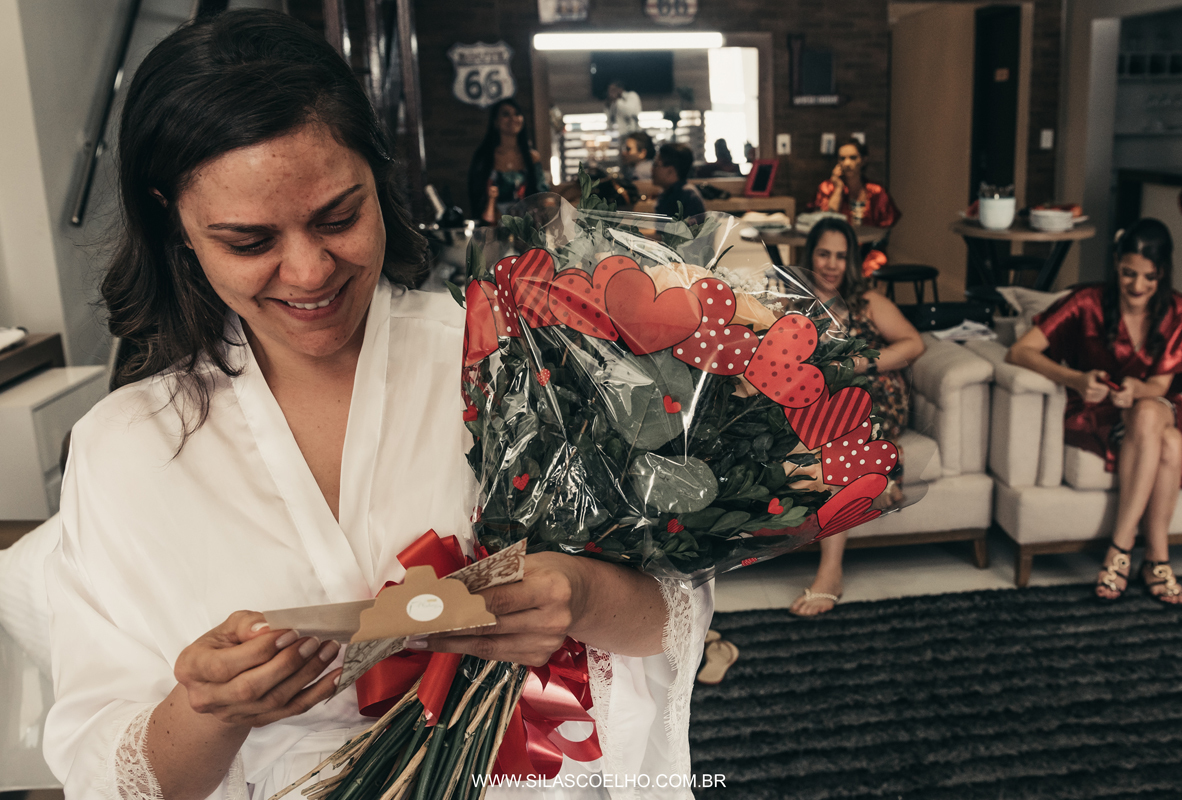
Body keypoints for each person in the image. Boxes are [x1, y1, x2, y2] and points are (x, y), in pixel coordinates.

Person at [42, 11, 712, 800]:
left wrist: (583, 596)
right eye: (249, 242)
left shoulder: (512, 359)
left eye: (338, 217)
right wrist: (210, 712)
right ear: (174, 222)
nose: (308, 271)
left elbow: (675, 616)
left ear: (378, 176)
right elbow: (105, 768)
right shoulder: (124, 449)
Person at [1007, 219, 1182, 604]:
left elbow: (1159, 386)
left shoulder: (1180, 310)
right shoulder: (1087, 301)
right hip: (1101, 411)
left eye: (1149, 277)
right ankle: (1156, 560)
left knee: (1149, 414)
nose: (1138, 286)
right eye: (1129, 273)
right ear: (1116, 264)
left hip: (1156, 404)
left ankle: (1119, 548)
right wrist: (1075, 378)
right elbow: (1019, 351)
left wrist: (1138, 390)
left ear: (1163, 272)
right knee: (1170, 443)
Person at [787, 218, 925, 617]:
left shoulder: (867, 302)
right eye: (823, 254)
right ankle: (883, 464)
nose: (831, 264)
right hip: (818, 399)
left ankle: (830, 572)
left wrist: (865, 362)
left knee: (836, 435)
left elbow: (914, 343)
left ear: (852, 261)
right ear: (810, 255)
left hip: (873, 393)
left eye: (840, 256)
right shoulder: (793, 303)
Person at [466, 98, 548, 225]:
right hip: (493, 227)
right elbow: (476, 195)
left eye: (517, 114)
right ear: (495, 121)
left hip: (526, 227)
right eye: (506, 114)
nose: (513, 118)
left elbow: (541, 192)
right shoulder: (484, 157)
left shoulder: (532, 157)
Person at [810, 141, 901, 228]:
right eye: (842, 158)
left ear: (863, 160)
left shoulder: (876, 190)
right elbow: (826, 220)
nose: (847, 163)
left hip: (869, 238)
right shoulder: (827, 187)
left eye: (853, 158)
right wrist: (838, 188)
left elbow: (888, 222)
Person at [653, 143, 705, 219]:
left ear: (670, 171)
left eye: (655, 165)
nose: (652, 170)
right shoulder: (668, 193)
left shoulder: (688, 197)